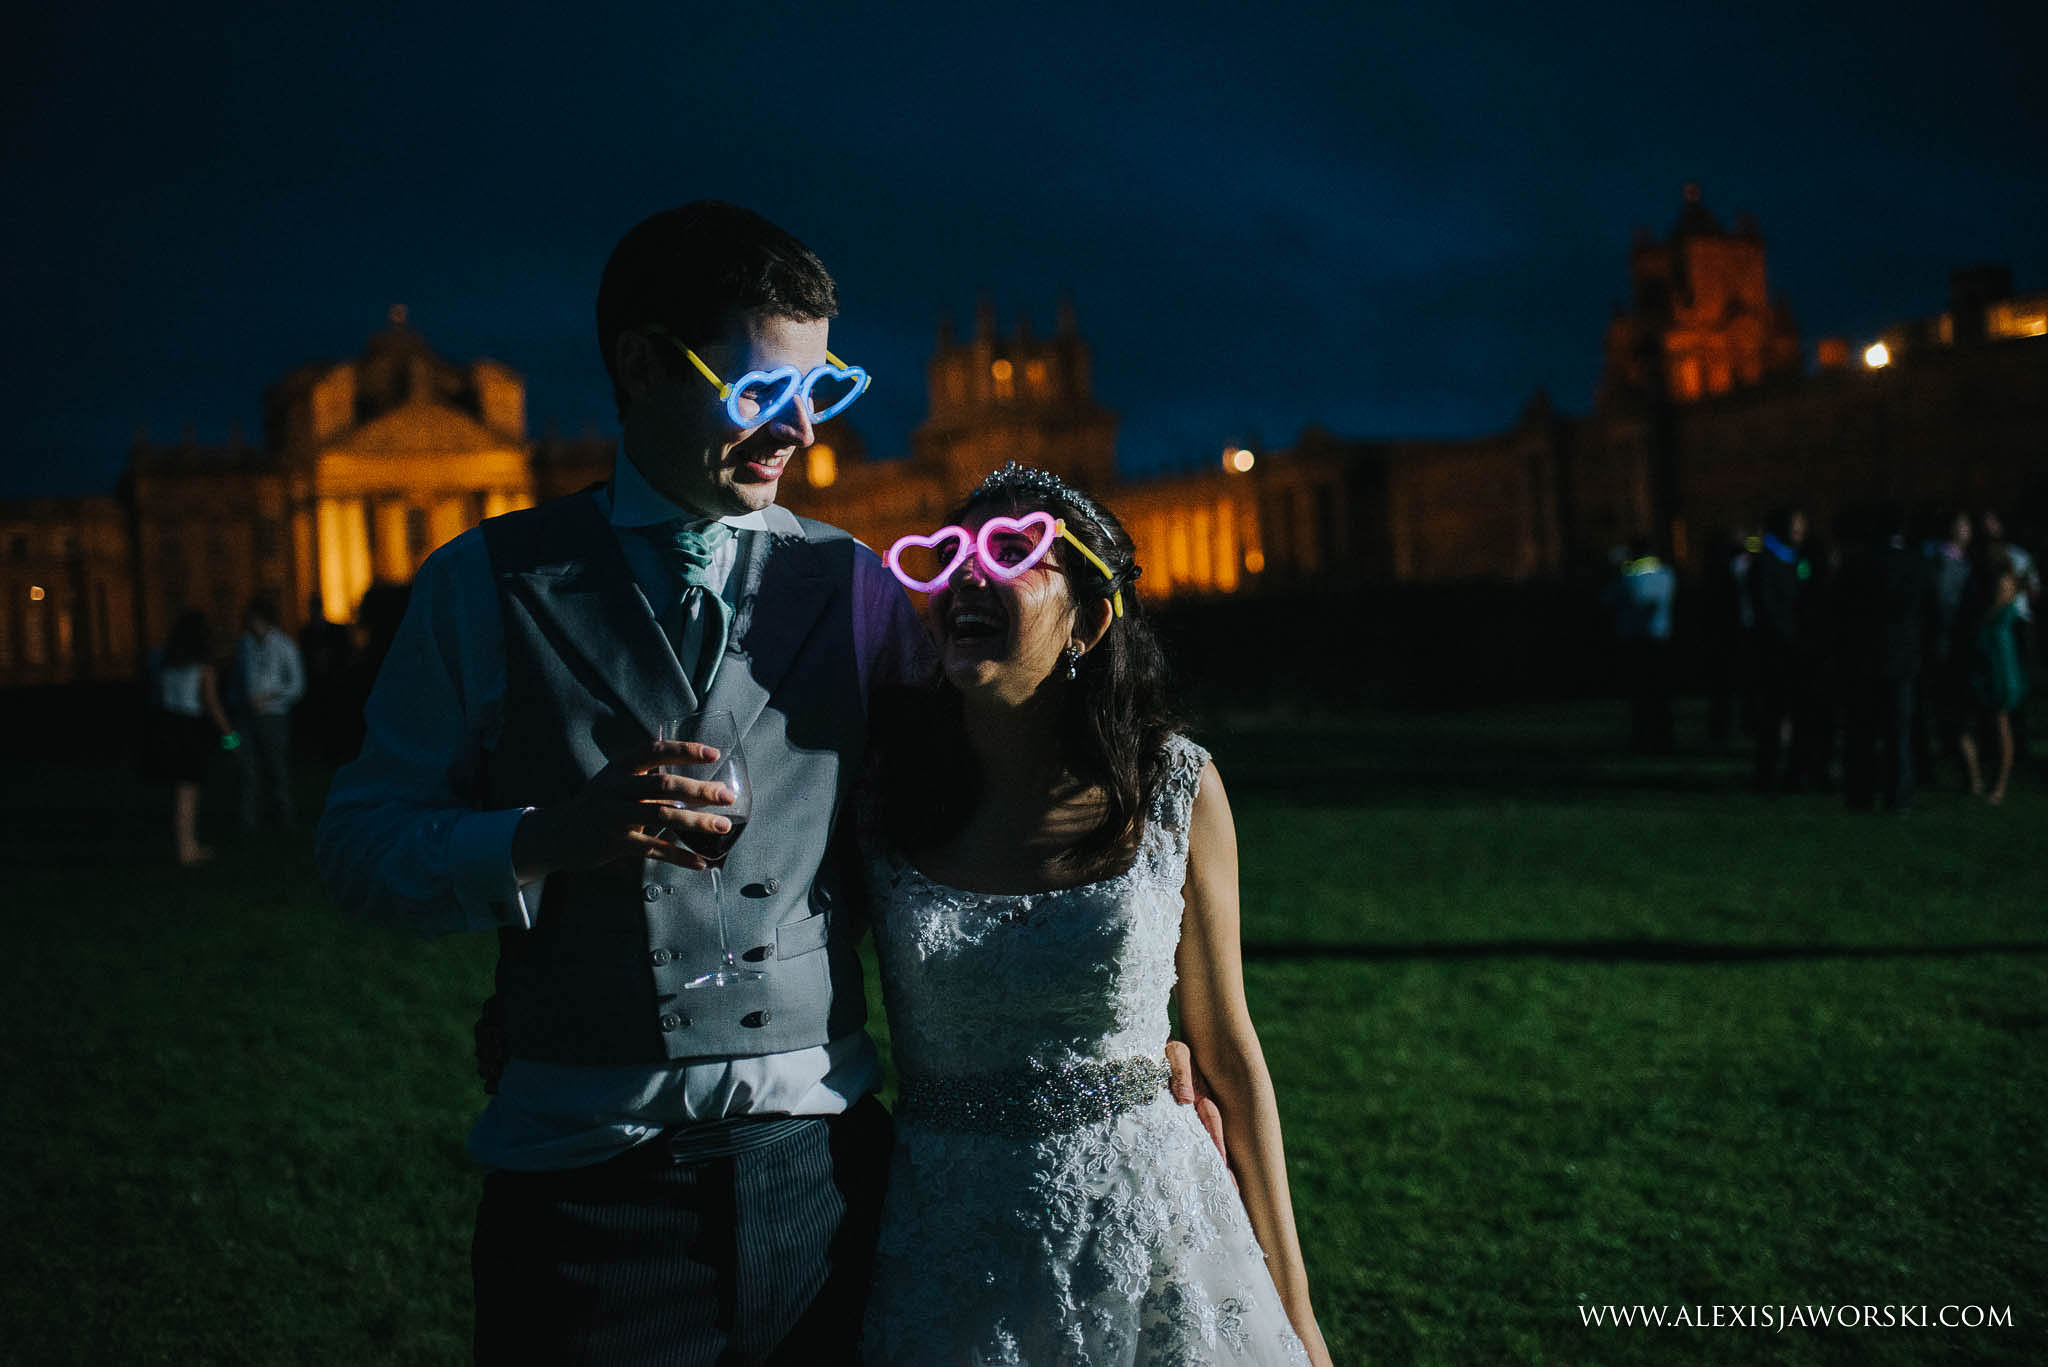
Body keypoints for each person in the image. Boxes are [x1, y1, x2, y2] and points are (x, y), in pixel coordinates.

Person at [319, 204, 1212, 1363]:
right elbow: (358, 850)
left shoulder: (856, 588)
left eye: (819, 389)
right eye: (756, 393)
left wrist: (1122, 1031)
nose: (794, 428)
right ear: (640, 365)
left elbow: (992, 792)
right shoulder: (479, 587)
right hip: (584, 1187)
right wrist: (543, 838)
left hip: (827, 1183)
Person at [860, 463, 1331, 1364]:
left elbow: (1227, 1045)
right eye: (954, 550)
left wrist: (1298, 1312)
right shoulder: (882, 796)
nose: (969, 572)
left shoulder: (1176, 786)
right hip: (948, 1252)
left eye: (1012, 551)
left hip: (1151, 1228)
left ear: (1089, 619)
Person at [1836, 502, 1924, 812]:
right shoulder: (1913, 563)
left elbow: (1841, 613)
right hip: (1901, 660)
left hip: (1863, 659)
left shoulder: (1856, 564)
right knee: (1898, 733)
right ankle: (1898, 796)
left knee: (1862, 733)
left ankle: (1860, 794)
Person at [145, 609, 237, 866]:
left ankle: (186, 844)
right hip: (190, 729)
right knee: (189, 790)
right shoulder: (203, 667)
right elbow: (212, 705)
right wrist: (231, 738)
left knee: (180, 790)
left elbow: (160, 697)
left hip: (169, 725)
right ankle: (187, 849)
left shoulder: (166, 663)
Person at [1958, 550, 2027, 805]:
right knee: (1990, 723)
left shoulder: (2001, 583)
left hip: (1996, 661)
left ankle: (1995, 785)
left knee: (1999, 724)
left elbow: (1989, 616)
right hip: (1991, 658)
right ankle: (1980, 781)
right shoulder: (1999, 582)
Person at [235, 596, 305, 829]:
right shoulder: (246, 644)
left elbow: (297, 685)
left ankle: (284, 816)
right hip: (248, 714)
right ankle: (249, 819)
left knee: (276, 767)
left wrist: (270, 696)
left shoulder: (284, 645)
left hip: (274, 715)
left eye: (253, 620)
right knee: (248, 767)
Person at [1602, 538, 1676, 754]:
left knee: (1641, 694)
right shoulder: (1666, 574)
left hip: (1636, 642)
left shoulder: (1629, 579)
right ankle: (1664, 737)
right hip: (1661, 640)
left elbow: (1607, 600)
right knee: (1661, 693)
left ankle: (1643, 737)